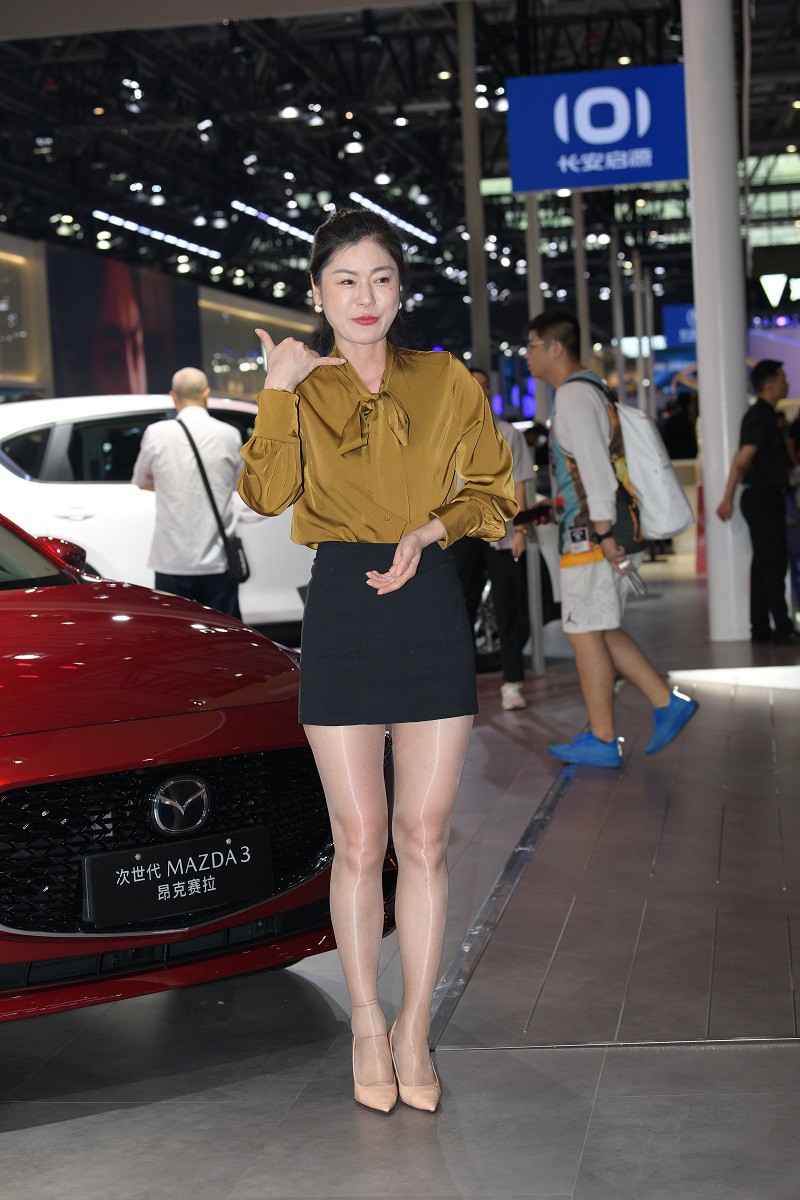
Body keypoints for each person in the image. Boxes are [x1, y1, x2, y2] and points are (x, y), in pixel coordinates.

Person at [238, 209, 516, 1113]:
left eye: (382, 277)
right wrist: (277, 388)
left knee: (423, 835)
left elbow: (495, 491)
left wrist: (429, 531)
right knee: (359, 837)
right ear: (317, 295)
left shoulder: (445, 379)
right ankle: (365, 1020)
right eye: (346, 280)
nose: (365, 296)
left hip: (428, 601)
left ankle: (414, 1028)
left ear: (401, 290)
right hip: (344, 607)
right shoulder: (300, 386)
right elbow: (267, 494)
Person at [524, 309, 698, 768]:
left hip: (593, 536)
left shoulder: (574, 396)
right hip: (600, 529)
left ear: (555, 347)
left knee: (583, 631)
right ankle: (665, 703)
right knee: (597, 626)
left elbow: (596, 472)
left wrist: (602, 533)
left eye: (532, 346)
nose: (526, 355)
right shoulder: (591, 390)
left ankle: (604, 738)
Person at [452, 367, 535, 710]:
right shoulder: (449, 431)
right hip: (463, 532)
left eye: (485, 386)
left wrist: (521, 530)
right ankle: (460, 685)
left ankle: (512, 683)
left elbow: (521, 484)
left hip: (502, 532)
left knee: (508, 608)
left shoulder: (509, 433)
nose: (480, 391)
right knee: (460, 609)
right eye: (474, 385)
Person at [132, 366, 244, 618]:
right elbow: (239, 484)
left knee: (174, 633)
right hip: (218, 559)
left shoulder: (156, 433)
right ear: (206, 393)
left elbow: (142, 480)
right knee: (221, 632)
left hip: (171, 559)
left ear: (173, 396)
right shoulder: (229, 435)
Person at [716, 359, 796, 644]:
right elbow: (743, 459)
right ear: (770, 384)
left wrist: (729, 498)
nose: (787, 383)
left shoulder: (763, 415)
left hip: (762, 497)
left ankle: (761, 628)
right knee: (773, 563)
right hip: (763, 498)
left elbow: (742, 459)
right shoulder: (760, 416)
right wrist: (727, 498)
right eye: (782, 378)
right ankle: (782, 628)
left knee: (763, 563)